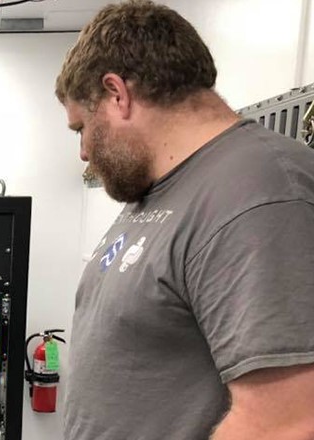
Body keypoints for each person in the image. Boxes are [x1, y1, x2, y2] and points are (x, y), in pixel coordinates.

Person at [55, 1, 314, 439]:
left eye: (81, 128)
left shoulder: (259, 192)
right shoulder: (164, 186)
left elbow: (286, 422)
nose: (83, 152)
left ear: (118, 94)